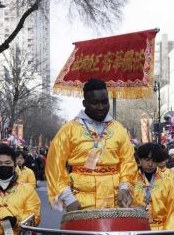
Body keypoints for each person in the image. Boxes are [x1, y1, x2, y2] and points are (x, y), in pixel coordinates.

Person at [45, 78, 137, 211]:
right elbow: (54, 165)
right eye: (94, 103)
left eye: (104, 102)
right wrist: (68, 197)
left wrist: (125, 187)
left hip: (115, 201)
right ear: (85, 103)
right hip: (80, 202)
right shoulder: (69, 129)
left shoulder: (118, 129)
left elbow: (128, 162)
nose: (101, 107)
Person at [132, 143, 174, 235]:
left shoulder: (167, 181)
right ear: (140, 160)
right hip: (136, 232)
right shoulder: (131, 180)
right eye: (147, 160)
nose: (150, 164)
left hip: (161, 232)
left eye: (154, 160)